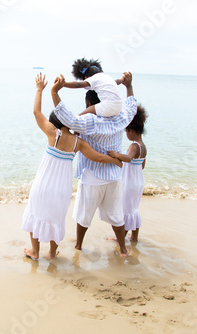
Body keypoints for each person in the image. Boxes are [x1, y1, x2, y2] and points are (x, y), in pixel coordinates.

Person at [22, 74, 123, 261]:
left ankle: (35, 252)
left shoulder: (53, 134)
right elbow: (99, 158)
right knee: (56, 219)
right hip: (62, 189)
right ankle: (52, 253)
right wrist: (116, 160)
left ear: (55, 123)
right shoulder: (78, 142)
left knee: (35, 213)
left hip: (43, 185)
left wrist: (39, 89)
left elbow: (36, 112)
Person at [52, 72, 137, 257]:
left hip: (92, 176)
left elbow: (69, 120)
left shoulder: (91, 121)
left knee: (84, 215)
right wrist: (128, 86)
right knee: (116, 215)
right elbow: (131, 107)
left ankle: (79, 246)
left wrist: (55, 93)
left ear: (91, 104)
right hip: (114, 175)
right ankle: (123, 249)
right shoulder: (121, 118)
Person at [108, 106, 148, 242]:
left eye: (126, 131)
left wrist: (116, 155)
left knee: (125, 210)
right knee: (133, 209)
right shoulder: (143, 147)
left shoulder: (134, 145)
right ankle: (134, 237)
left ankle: (121, 239)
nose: (126, 134)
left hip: (129, 184)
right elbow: (142, 165)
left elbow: (129, 158)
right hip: (138, 182)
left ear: (131, 130)